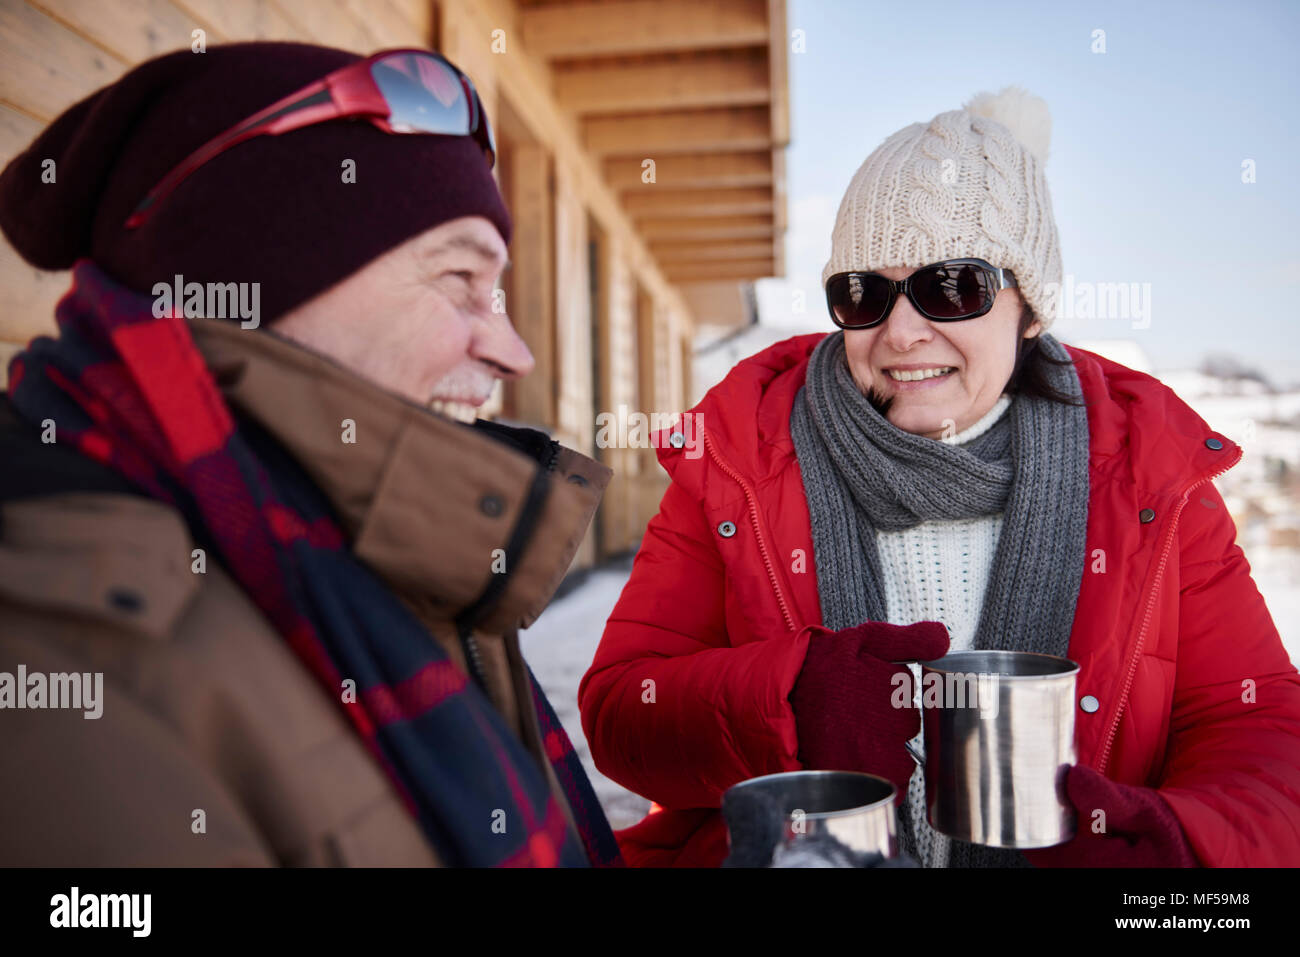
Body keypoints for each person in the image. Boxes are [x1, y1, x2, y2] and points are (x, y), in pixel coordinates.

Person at [579, 87, 1300, 867]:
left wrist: (1180, 844)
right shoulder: (737, 459)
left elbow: (1255, 726)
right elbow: (623, 712)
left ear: (1030, 309)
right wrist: (784, 701)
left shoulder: (1152, 476)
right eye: (863, 293)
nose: (899, 332)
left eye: (950, 287)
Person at [0, 41, 622, 868]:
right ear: (253, 281)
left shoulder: (397, 557)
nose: (515, 352)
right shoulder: (60, 662)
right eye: (458, 278)